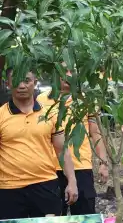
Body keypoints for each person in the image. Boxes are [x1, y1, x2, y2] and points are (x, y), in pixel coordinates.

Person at [0, 71, 78, 218]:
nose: (22, 86)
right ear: (8, 83)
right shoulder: (1, 115)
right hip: (9, 188)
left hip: (45, 184)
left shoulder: (50, 113)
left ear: (35, 83)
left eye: (27, 81)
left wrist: (72, 181)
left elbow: (61, 150)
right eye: (16, 81)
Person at [38, 74, 109, 215]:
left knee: (85, 216)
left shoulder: (86, 100)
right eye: (62, 71)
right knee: (54, 218)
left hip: (81, 165)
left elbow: (96, 133)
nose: (67, 76)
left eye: (71, 72)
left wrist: (103, 163)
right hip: (51, 168)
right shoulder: (41, 100)